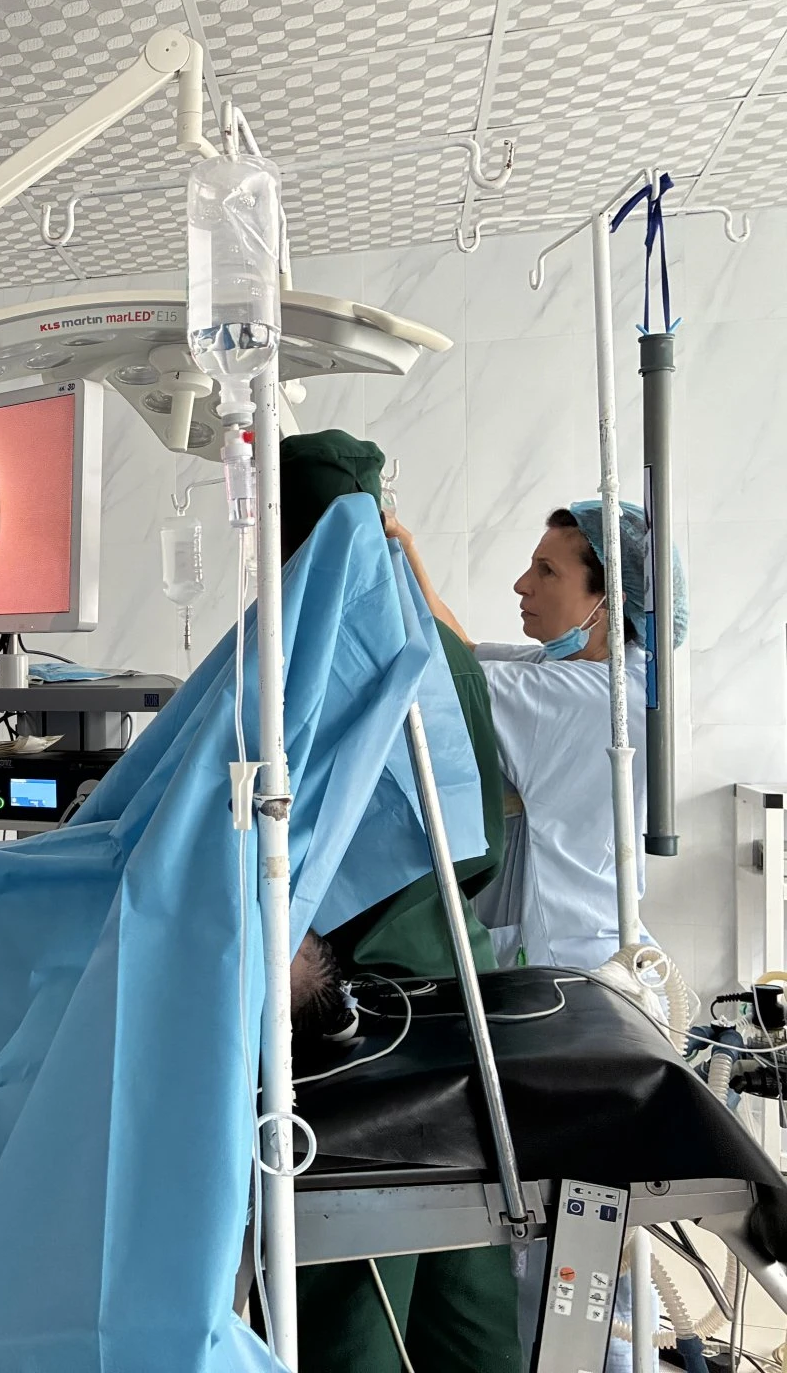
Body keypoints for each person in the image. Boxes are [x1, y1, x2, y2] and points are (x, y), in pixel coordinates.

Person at [275, 431, 520, 1373]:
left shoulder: (302, 655)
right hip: (466, 993)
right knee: (467, 1266)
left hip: (361, 1018)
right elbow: (479, 834)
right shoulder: (440, 640)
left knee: (359, 1277)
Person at [392, 501, 685, 972]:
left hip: (569, 963)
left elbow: (446, 678)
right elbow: (462, 650)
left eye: (547, 571)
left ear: (608, 602)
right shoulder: (601, 668)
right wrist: (405, 552)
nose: (522, 584)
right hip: (588, 944)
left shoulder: (591, 697)